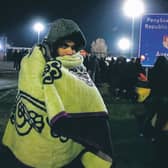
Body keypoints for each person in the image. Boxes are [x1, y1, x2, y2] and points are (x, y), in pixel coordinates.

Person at [2, 18, 114, 168]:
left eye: (74, 47)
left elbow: (88, 95)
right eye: (64, 46)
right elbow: (31, 94)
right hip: (34, 140)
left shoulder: (78, 66)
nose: (70, 51)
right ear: (53, 45)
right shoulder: (33, 61)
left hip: (66, 146)